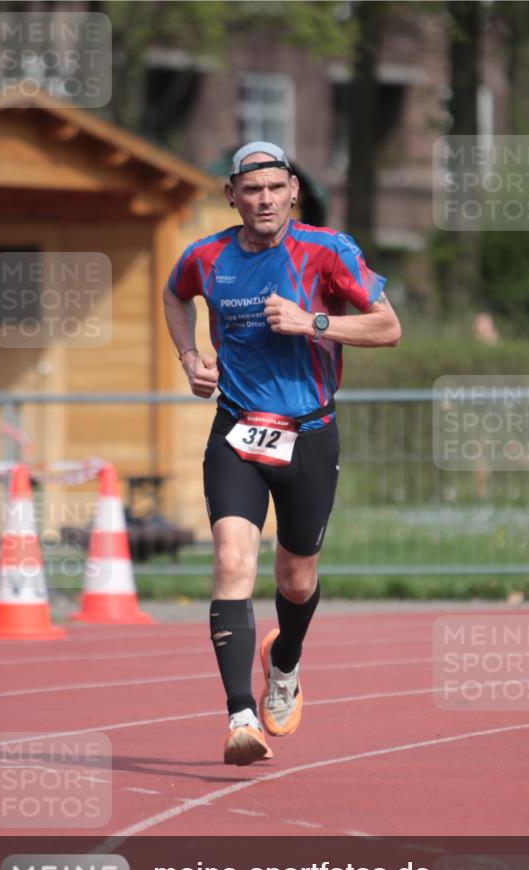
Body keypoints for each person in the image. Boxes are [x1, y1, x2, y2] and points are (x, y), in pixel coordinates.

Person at [163, 141, 401, 766]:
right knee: (230, 559)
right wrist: (189, 358)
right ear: (232, 196)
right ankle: (241, 716)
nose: (264, 200)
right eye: (251, 190)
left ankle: (285, 661)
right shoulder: (206, 256)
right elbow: (173, 294)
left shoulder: (328, 250)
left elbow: (388, 327)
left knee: (296, 579)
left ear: (293, 190)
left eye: (274, 188)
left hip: (310, 434)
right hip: (237, 430)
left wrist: (312, 323)